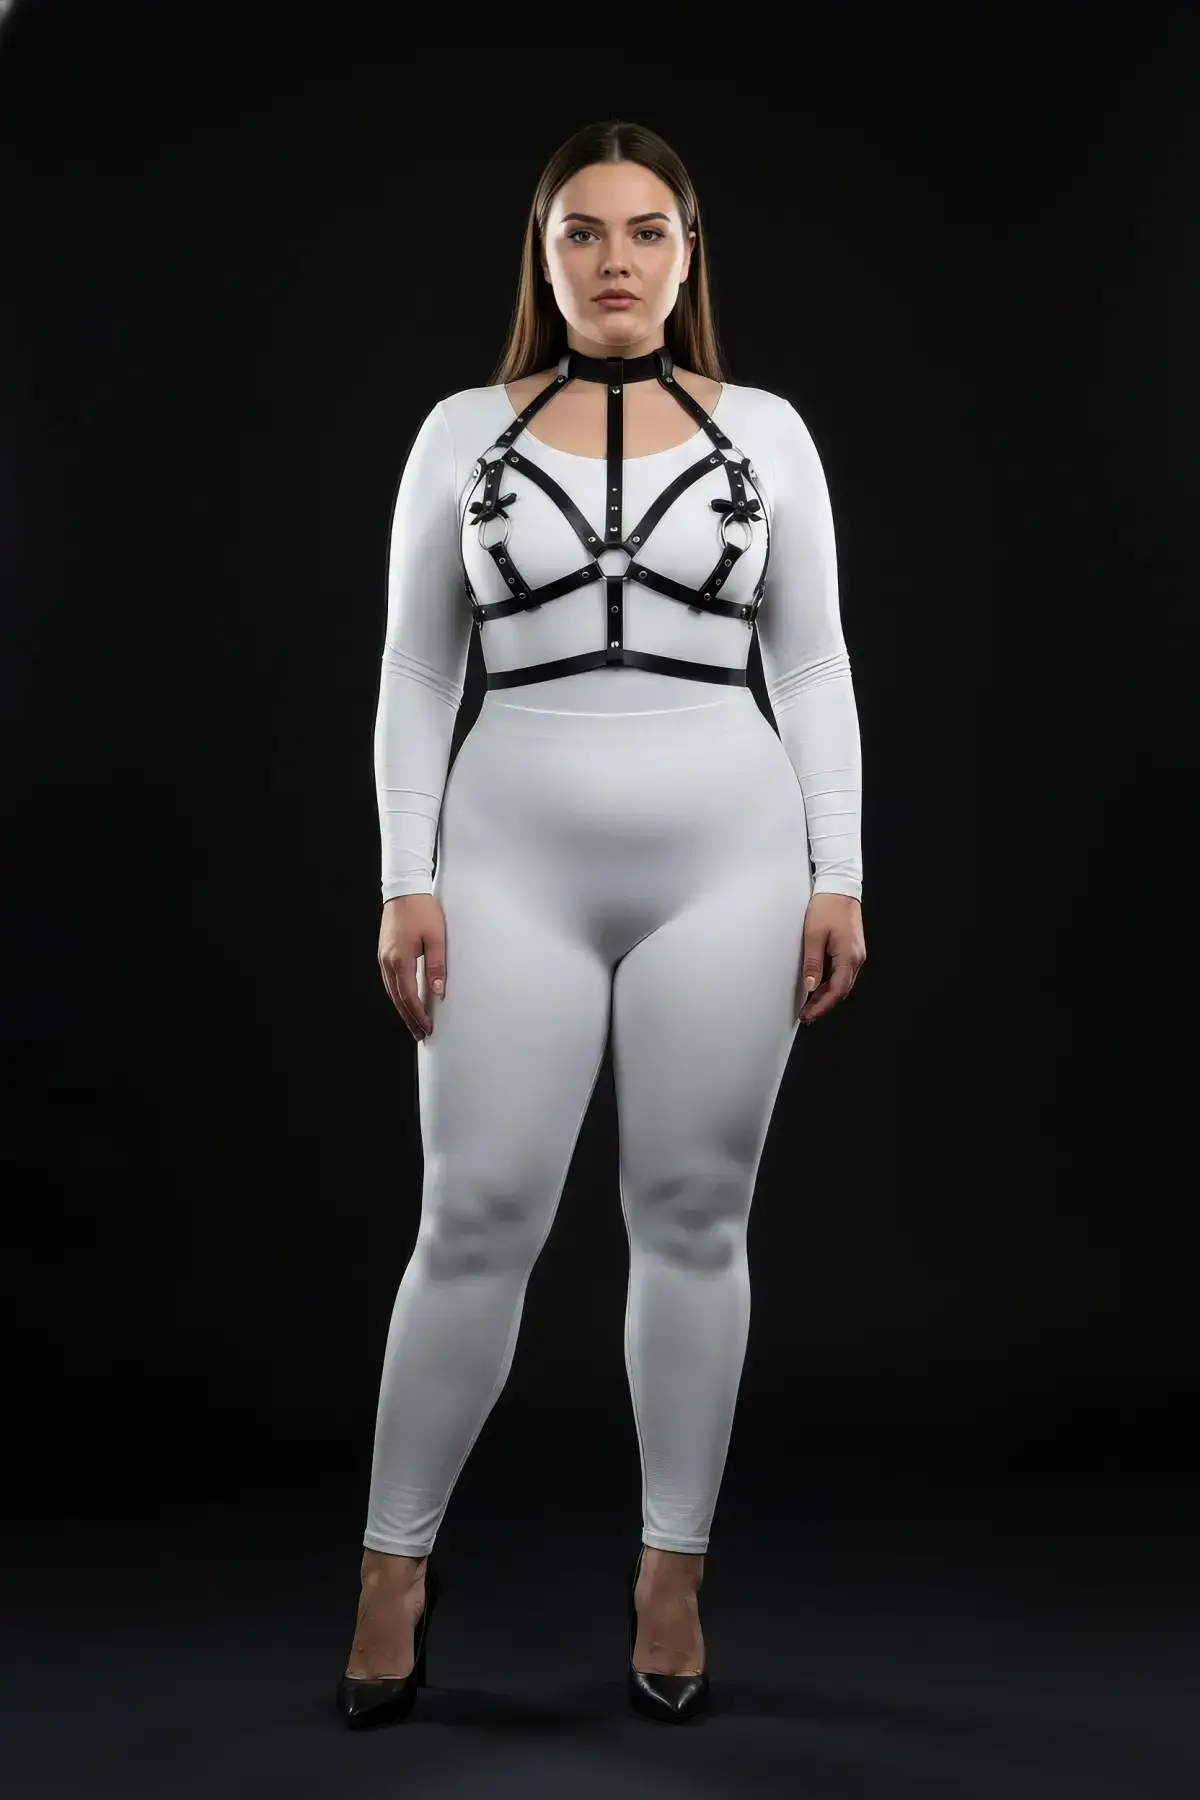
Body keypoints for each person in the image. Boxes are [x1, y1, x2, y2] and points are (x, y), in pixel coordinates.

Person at [338, 117, 866, 1729]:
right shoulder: (459, 432)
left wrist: (840, 870)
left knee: (695, 1215)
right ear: (544, 255)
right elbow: (417, 666)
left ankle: (671, 1568)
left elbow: (813, 664)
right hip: (509, 850)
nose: (615, 260)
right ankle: (391, 1568)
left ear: (690, 254)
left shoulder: (769, 432)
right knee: (474, 1214)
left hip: (732, 848)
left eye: (646, 231)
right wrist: (405, 872)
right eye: (582, 231)